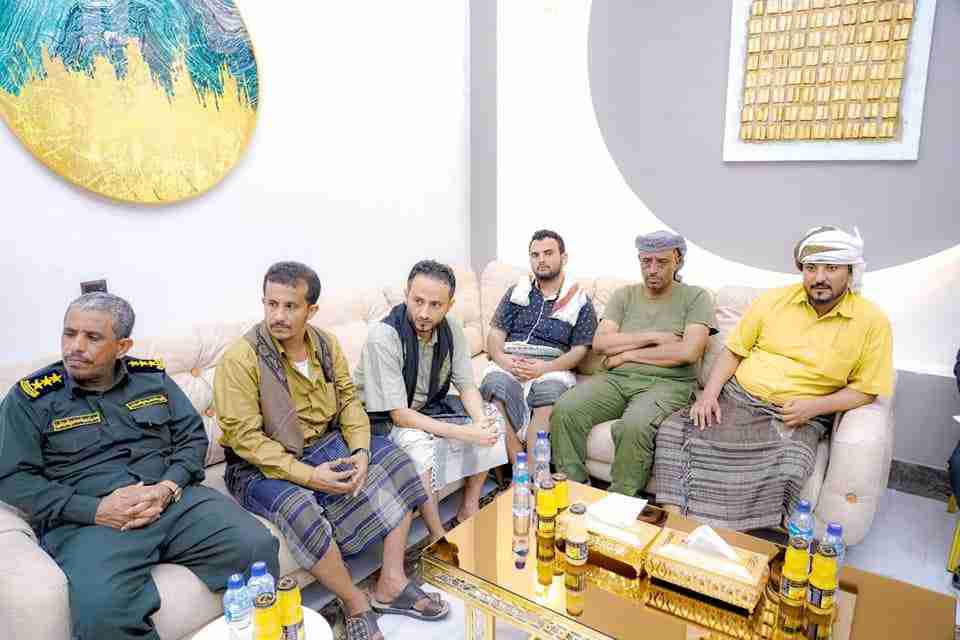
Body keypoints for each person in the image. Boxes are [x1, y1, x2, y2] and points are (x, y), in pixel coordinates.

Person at [0, 293, 279, 640]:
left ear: (122, 346)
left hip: (173, 501)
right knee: (102, 609)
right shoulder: (31, 398)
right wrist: (95, 510)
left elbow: (192, 438)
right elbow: (12, 478)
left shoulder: (151, 378)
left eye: (92, 337)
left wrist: (168, 487)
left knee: (255, 546)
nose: (75, 347)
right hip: (89, 522)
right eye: (69, 334)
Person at [214, 262, 447, 640]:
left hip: (322, 441)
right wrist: (310, 476)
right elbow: (246, 440)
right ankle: (354, 602)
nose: (278, 315)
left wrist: (361, 451)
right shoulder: (241, 359)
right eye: (271, 304)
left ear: (311, 310)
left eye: (290, 306)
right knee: (298, 507)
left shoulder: (325, 344)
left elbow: (350, 403)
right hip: (257, 464)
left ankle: (391, 582)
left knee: (397, 461)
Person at [656, 226, 894, 531]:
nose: (819, 277)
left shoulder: (872, 321)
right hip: (737, 399)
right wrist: (710, 395)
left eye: (831, 268)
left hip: (796, 414)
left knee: (793, 461)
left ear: (850, 272)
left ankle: (736, 535)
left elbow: (867, 390)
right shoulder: (773, 301)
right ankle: (674, 525)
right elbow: (734, 352)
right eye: (811, 268)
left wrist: (816, 407)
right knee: (673, 430)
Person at [550, 231, 716, 497]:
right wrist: (654, 337)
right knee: (566, 409)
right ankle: (575, 492)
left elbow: (688, 351)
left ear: (677, 260)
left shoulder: (696, 297)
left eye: (661, 262)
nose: (652, 269)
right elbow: (601, 343)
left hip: (668, 384)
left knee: (634, 426)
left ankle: (621, 502)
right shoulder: (624, 296)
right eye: (645, 261)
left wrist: (627, 355)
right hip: (615, 379)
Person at [355, 260, 507, 542]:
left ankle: (469, 507)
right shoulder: (383, 337)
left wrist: (480, 423)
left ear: (449, 305)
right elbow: (399, 415)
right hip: (382, 418)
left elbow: (466, 384)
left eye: (435, 305)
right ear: (406, 295)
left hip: (428, 405)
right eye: (418, 301)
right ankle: (438, 536)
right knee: (418, 445)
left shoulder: (452, 328)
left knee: (491, 419)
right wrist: (465, 432)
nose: (424, 313)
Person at [480, 229, 598, 465]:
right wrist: (502, 359)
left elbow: (580, 350)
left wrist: (545, 368)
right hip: (511, 359)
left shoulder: (579, 300)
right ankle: (519, 469)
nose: (541, 260)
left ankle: (535, 472)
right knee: (493, 389)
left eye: (548, 253)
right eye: (535, 255)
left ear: (563, 257)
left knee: (548, 397)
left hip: (552, 365)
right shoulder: (517, 292)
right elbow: (495, 333)